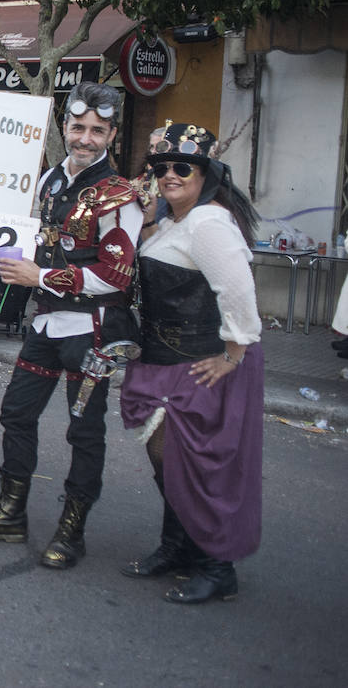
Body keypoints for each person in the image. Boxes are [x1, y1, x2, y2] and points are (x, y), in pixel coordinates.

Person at [0, 82, 142, 570]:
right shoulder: (48, 181)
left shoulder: (120, 195)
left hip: (92, 332)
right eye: (78, 127)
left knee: (84, 432)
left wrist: (43, 275)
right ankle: (11, 512)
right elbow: (16, 233)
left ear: (112, 135)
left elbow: (118, 274)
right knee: (16, 414)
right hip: (44, 324)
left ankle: (72, 531)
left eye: (97, 131)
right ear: (64, 127)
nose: (85, 138)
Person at [120, 122, 263, 604]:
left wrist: (233, 353)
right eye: (161, 168)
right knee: (168, 457)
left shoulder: (209, 223)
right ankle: (178, 547)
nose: (169, 175)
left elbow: (239, 290)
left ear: (206, 173)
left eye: (183, 167)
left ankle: (215, 566)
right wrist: (150, 217)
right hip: (165, 359)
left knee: (196, 464)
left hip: (201, 362)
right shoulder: (178, 220)